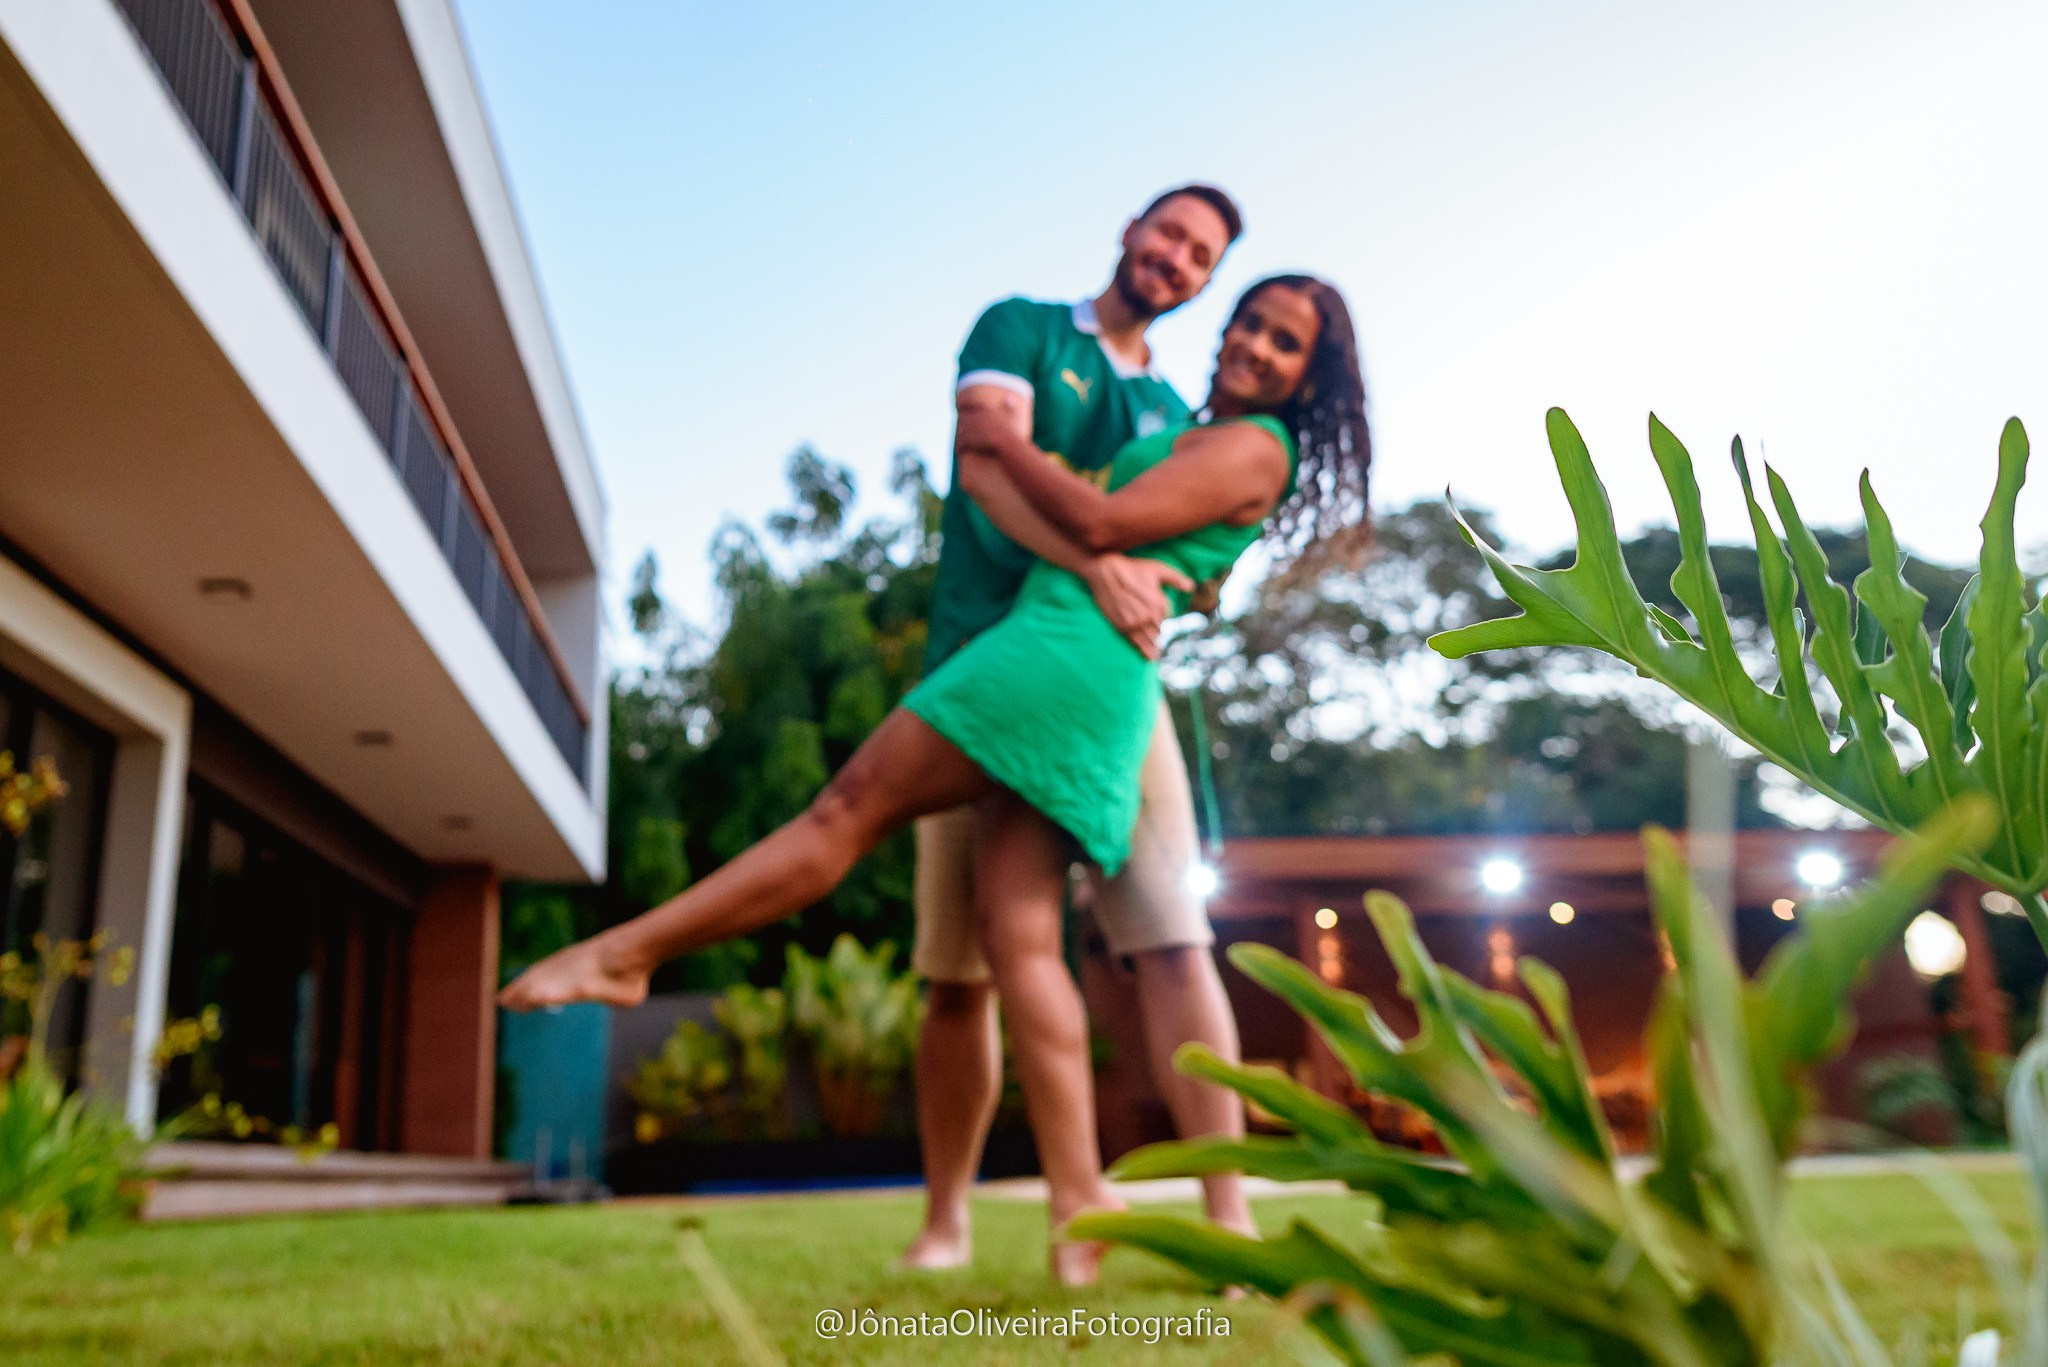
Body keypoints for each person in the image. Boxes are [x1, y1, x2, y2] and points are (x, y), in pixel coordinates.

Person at [500, 273, 1372, 1284]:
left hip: (1058, 656)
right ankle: (1079, 1189)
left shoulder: (1250, 444)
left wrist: (1005, 448)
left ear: (1311, 376)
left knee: (848, 810)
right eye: (1253, 323)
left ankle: (629, 950)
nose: (1256, 347)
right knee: (1012, 934)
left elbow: (1098, 520)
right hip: (1056, 645)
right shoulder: (1184, 420)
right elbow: (1131, 535)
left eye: (1284, 343)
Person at [901, 185, 1263, 1272]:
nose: (1175, 258)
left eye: (1199, 255)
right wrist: (1096, 553)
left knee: (1172, 939)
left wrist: (1156, 573)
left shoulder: (1179, 425)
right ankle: (946, 1217)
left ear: (1201, 282)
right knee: (957, 972)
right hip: (976, 669)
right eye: (1168, 232)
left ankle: (1226, 1210)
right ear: (1128, 230)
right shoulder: (1019, 327)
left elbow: (1201, 571)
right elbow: (984, 468)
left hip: (1111, 692)